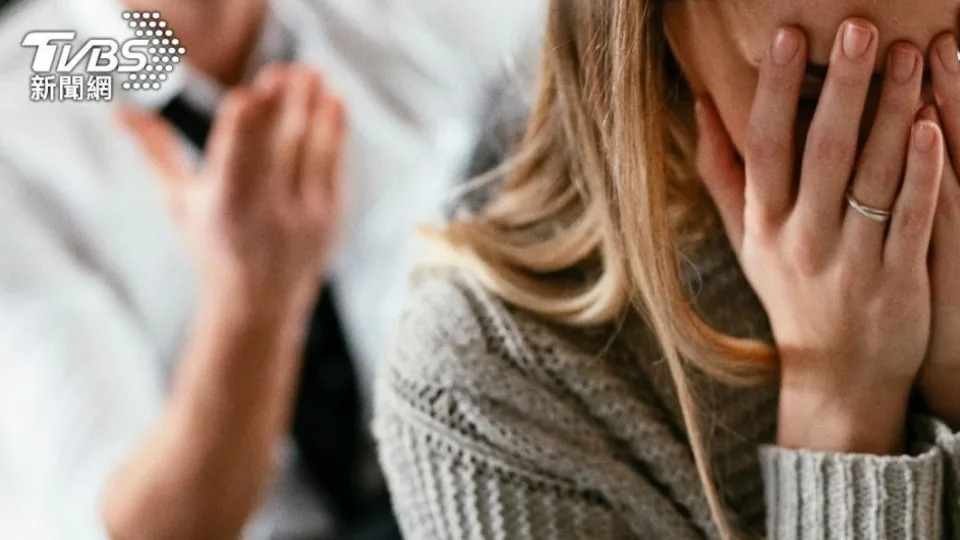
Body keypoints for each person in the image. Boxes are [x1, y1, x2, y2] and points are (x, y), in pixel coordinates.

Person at [373, 0, 960, 538]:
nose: (918, 144)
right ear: (656, 21)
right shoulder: (489, 391)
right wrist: (840, 406)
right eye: (820, 94)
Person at [0, 0, 544, 538]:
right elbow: (134, 531)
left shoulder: (412, 18)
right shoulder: (21, 126)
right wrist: (252, 297)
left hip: (463, 485)